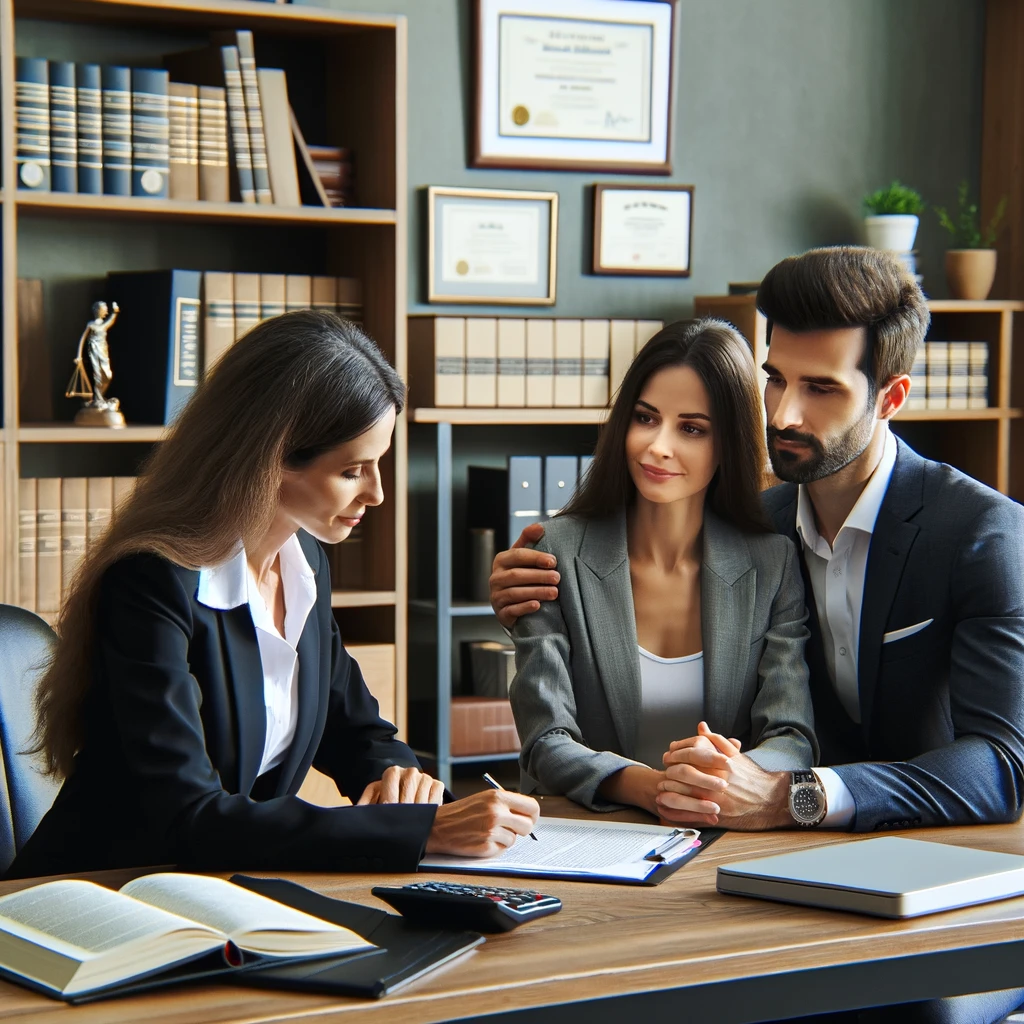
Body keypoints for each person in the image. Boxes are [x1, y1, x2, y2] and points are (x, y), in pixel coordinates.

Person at [490, 247, 1024, 1024]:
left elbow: (1004, 765)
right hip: (780, 872)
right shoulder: (760, 530)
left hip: (946, 875)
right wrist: (526, 589)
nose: (782, 414)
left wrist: (794, 796)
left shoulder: (982, 533)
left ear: (892, 396)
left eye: (820, 388)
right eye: (774, 377)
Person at [12, 310, 538, 879]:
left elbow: (354, 729)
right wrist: (419, 831)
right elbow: (186, 815)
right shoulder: (149, 584)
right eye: (353, 470)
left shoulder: (304, 562)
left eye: (378, 464)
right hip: (100, 897)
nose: (378, 493)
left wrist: (398, 779)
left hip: (220, 889)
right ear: (271, 459)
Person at [508, 318, 817, 822]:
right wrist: (652, 788)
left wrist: (732, 778)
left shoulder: (772, 563)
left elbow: (791, 735)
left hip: (724, 836)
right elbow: (546, 741)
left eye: (691, 428)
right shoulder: (555, 552)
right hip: (588, 840)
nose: (657, 447)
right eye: (646, 418)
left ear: (730, 443)